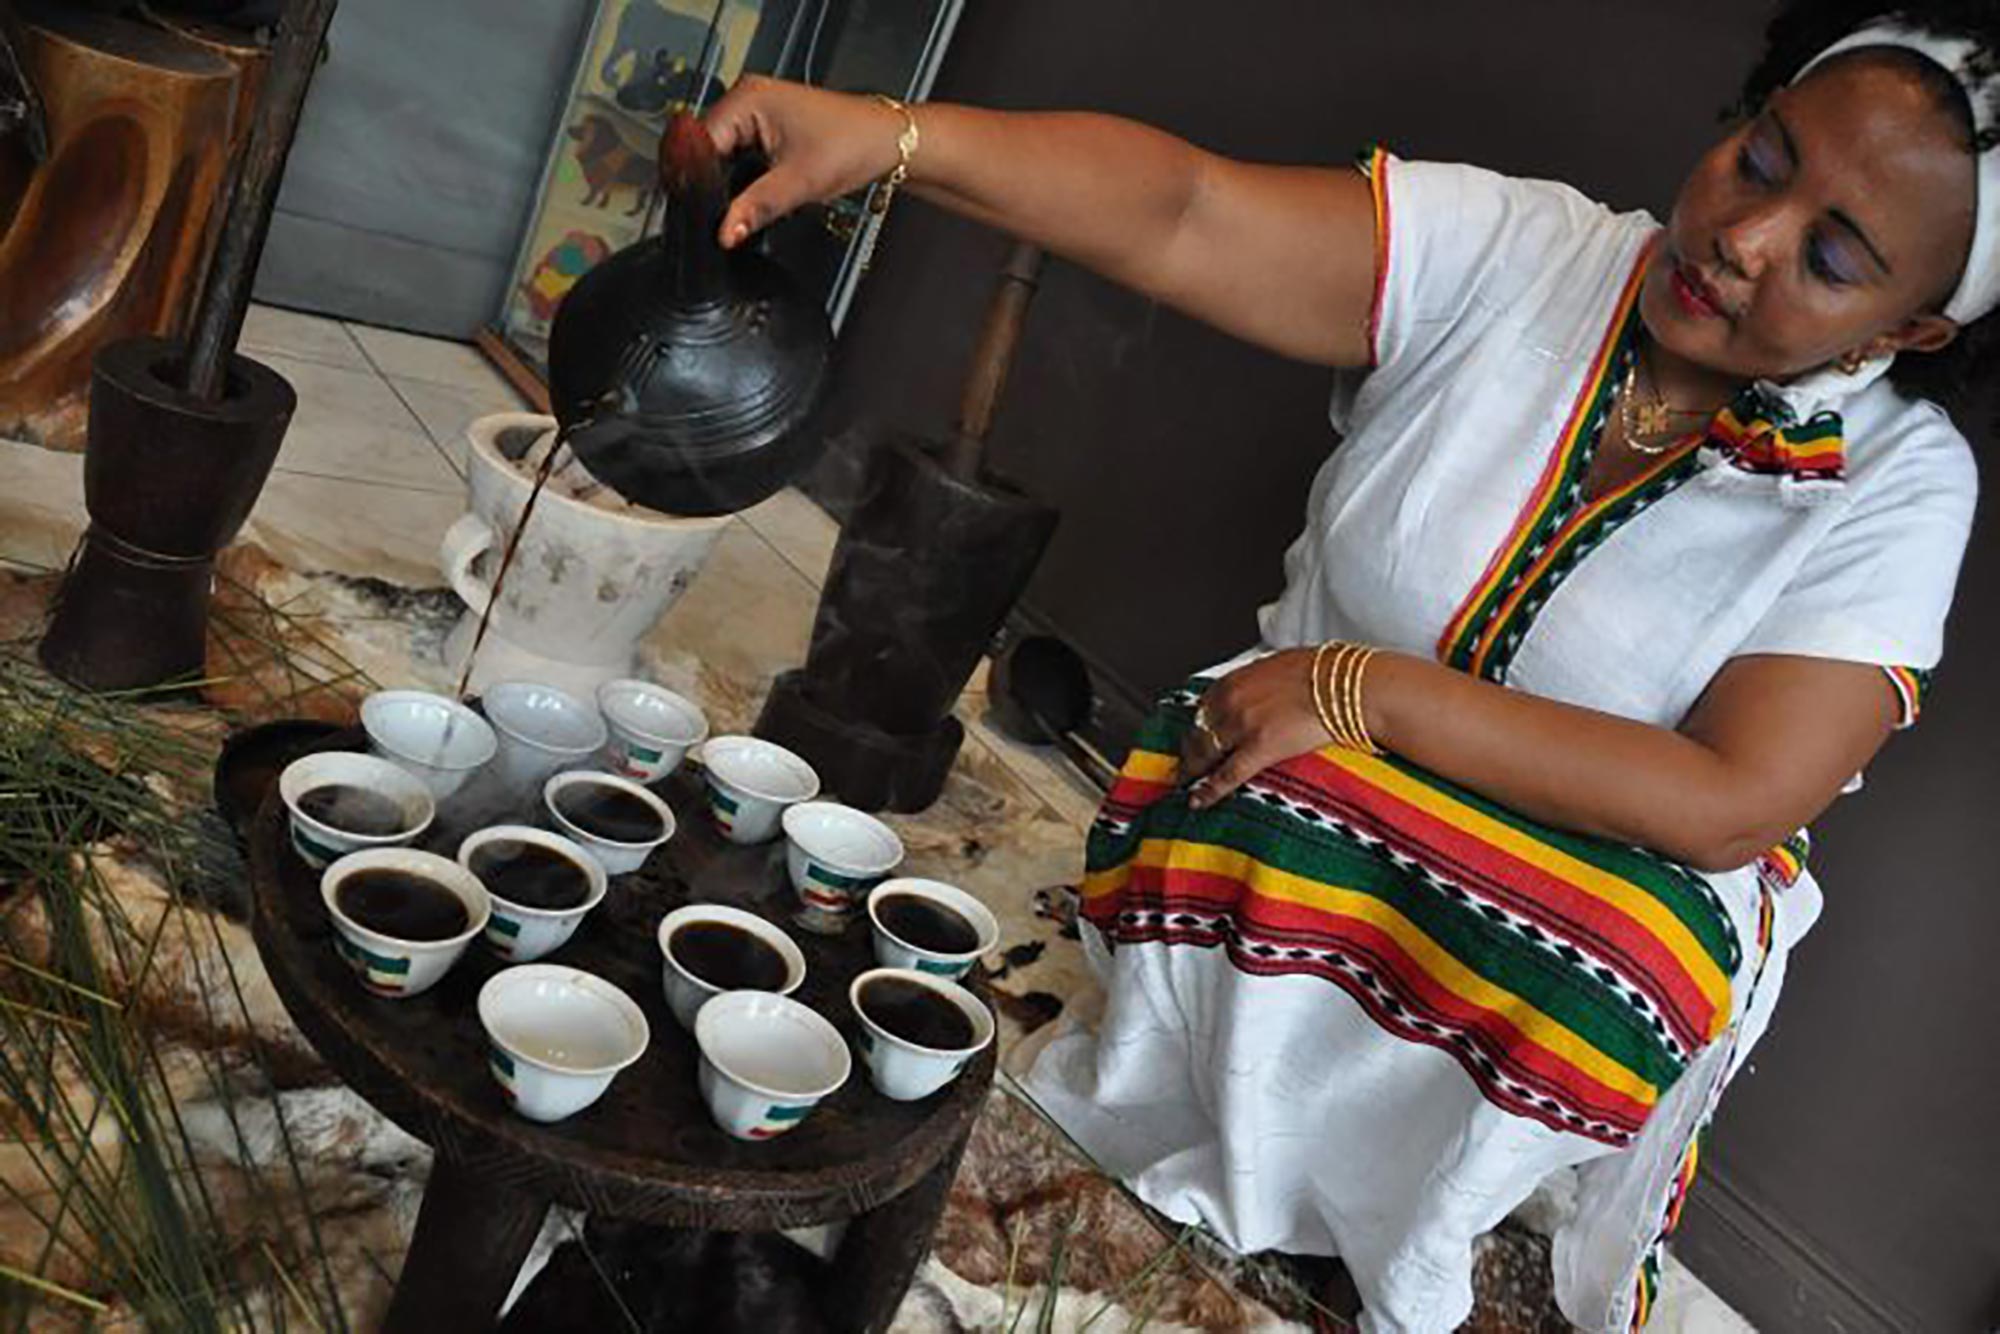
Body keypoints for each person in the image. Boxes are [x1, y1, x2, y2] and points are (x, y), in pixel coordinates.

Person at [705, 3, 1987, 1329]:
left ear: (1910, 329)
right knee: (1275, 777)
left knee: (1628, 948)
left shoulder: (1898, 484)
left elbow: (1732, 799)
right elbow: (1187, 211)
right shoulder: (1534, 251)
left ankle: (1416, 1220)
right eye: (1762, 162)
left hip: (1571, 899)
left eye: (1832, 256)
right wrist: (893, 135)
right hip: (1292, 794)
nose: (1745, 237)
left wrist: (1365, 690)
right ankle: (1196, 1112)